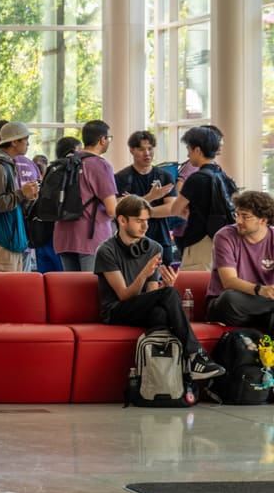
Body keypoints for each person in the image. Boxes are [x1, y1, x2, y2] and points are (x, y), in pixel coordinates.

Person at [95, 194, 224, 380]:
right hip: (116, 310)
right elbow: (123, 296)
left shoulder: (154, 248)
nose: (145, 226)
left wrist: (166, 287)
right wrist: (144, 274)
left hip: (141, 307)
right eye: (139, 221)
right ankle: (196, 357)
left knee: (162, 314)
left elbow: (152, 294)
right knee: (168, 298)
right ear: (122, 220)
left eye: (147, 221)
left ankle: (163, 378)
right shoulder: (106, 250)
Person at [52, 120, 118, 273]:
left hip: (63, 236)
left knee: (73, 292)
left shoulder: (67, 162)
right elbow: (112, 210)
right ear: (102, 139)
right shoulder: (100, 165)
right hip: (90, 237)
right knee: (91, 290)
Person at [205, 191, 274, 331]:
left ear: (263, 220)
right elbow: (229, 282)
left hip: (261, 305)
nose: (238, 221)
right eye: (237, 215)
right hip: (230, 306)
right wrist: (261, 290)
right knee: (230, 298)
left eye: (245, 217)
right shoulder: (225, 236)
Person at [171, 126, 237, 270]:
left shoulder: (196, 179)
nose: (188, 155)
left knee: (194, 287)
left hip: (200, 240)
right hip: (223, 239)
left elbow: (175, 209)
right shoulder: (223, 175)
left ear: (198, 150)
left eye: (189, 149)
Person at [0, 121, 39, 272]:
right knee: (5, 292)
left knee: (14, 289)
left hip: (10, 239)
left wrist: (26, 197)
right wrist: (21, 193)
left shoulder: (6, 164)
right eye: (25, 139)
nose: (28, 144)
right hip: (3, 239)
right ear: (14, 141)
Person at [114, 131, 177, 264]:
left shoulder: (164, 176)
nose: (147, 153)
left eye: (150, 148)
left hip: (161, 239)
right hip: (131, 243)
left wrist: (138, 212)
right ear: (132, 150)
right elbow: (121, 210)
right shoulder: (121, 178)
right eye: (141, 149)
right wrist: (151, 197)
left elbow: (171, 208)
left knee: (162, 282)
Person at [34, 137, 81, 273]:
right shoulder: (72, 173)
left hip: (43, 235)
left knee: (47, 281)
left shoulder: (51, 170)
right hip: (63, 238)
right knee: (65, 283)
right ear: (74, 151)